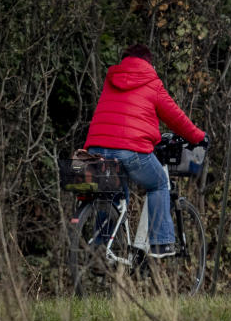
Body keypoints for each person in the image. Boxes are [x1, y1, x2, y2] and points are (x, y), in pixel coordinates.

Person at [85, 44, 206, 256]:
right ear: (148, 62)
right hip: (129, 150)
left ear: (125, 59)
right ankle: (161, 243)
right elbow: (175, 117)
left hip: (96, 149)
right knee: (159, 182)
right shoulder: (152, 82)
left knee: (110, 193)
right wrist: (198, 137)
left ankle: (100, 249)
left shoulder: (111, 78)